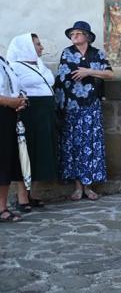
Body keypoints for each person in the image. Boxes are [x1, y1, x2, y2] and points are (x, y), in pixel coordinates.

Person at [55, 21, 113, 200]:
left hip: (91, 106)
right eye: (72, 34)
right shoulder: (67, 53)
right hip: (72, 107)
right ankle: (78, 187)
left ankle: (89, 186)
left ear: (87, 36)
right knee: (75, 146)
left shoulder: (97, 54)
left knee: (91, 145)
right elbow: (62, 78)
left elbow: (110, 74)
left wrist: (89, 71)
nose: (74, 36)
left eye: (78, 33)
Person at [7, 33, 58, 212]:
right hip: (30, 113)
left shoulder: (40, 64)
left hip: (46, 113)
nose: (41, 48)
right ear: (27, 47)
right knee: (26, 153)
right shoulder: (14, 67)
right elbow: (12, 89)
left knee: (42, 152)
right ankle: (22, 197)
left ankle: (34, 193)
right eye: (37, 44)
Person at [0, 55, 27, 222]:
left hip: (7, 115)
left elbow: (14, 84)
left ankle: (1, 207)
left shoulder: (3, 61)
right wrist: (10, 101)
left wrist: (20, 101)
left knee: (5, 161)